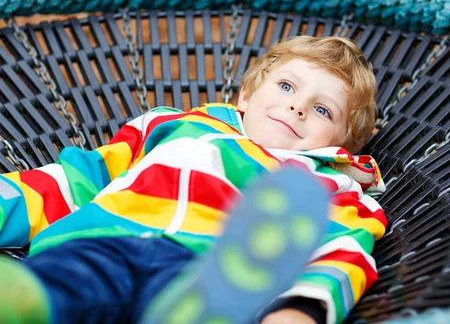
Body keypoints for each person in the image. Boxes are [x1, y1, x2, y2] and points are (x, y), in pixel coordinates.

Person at [0, 36, 388, 324]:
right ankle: (26, 300)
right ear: (247, 95)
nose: (297, 106)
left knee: (193, 302)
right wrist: (9, 202)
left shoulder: (327, 190)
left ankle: (197, 316)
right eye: (286, 86)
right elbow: (84, 177)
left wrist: (301, 309)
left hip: (203, 270)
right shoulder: (174, 124)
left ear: (343, 143)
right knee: (64, 283)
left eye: (322, 110)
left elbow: (343, 253)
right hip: (106, 238)